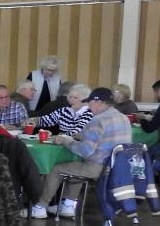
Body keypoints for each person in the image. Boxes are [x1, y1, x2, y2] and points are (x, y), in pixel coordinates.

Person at [29, 87, 130, 218]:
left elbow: (85, 151)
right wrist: (81, 136)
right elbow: (104, 138)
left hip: (99, 168)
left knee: (55, 169)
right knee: (75, 164)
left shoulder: (98, 120)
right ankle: (68, 206)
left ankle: (40, 207)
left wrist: (66, 141)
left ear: (98, 101)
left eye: (90, 102)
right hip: (117, 167)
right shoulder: (123, 118)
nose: (88, 105)